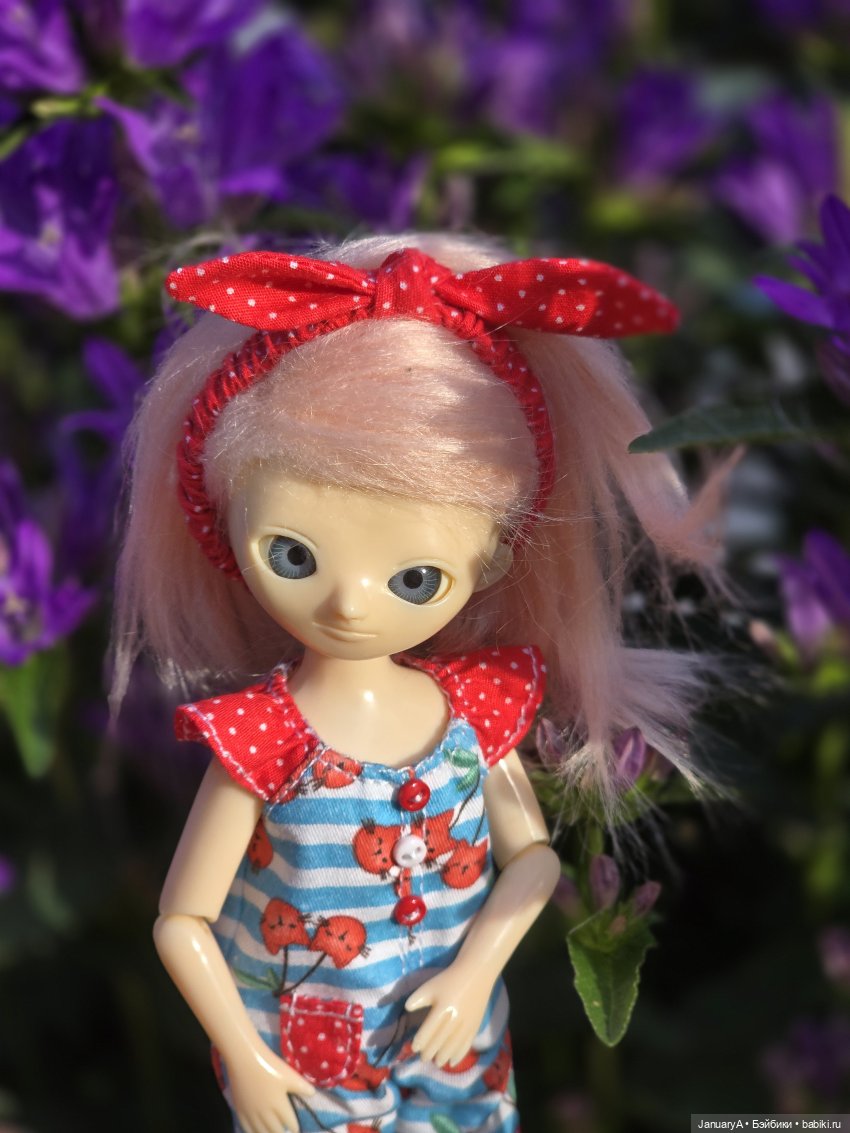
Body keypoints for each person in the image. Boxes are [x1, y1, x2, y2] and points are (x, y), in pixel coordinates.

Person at [111, 233, 720, 1133]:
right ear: (221, 523)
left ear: (497, 554)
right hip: (306, 1055)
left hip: (456, 1043)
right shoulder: (263, 737)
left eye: (413, 577)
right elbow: (182, 920)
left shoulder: (475, 710)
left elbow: (533, 859)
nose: (350, 602)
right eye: (294, 555)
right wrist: (246, 1055)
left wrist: (474, 973)